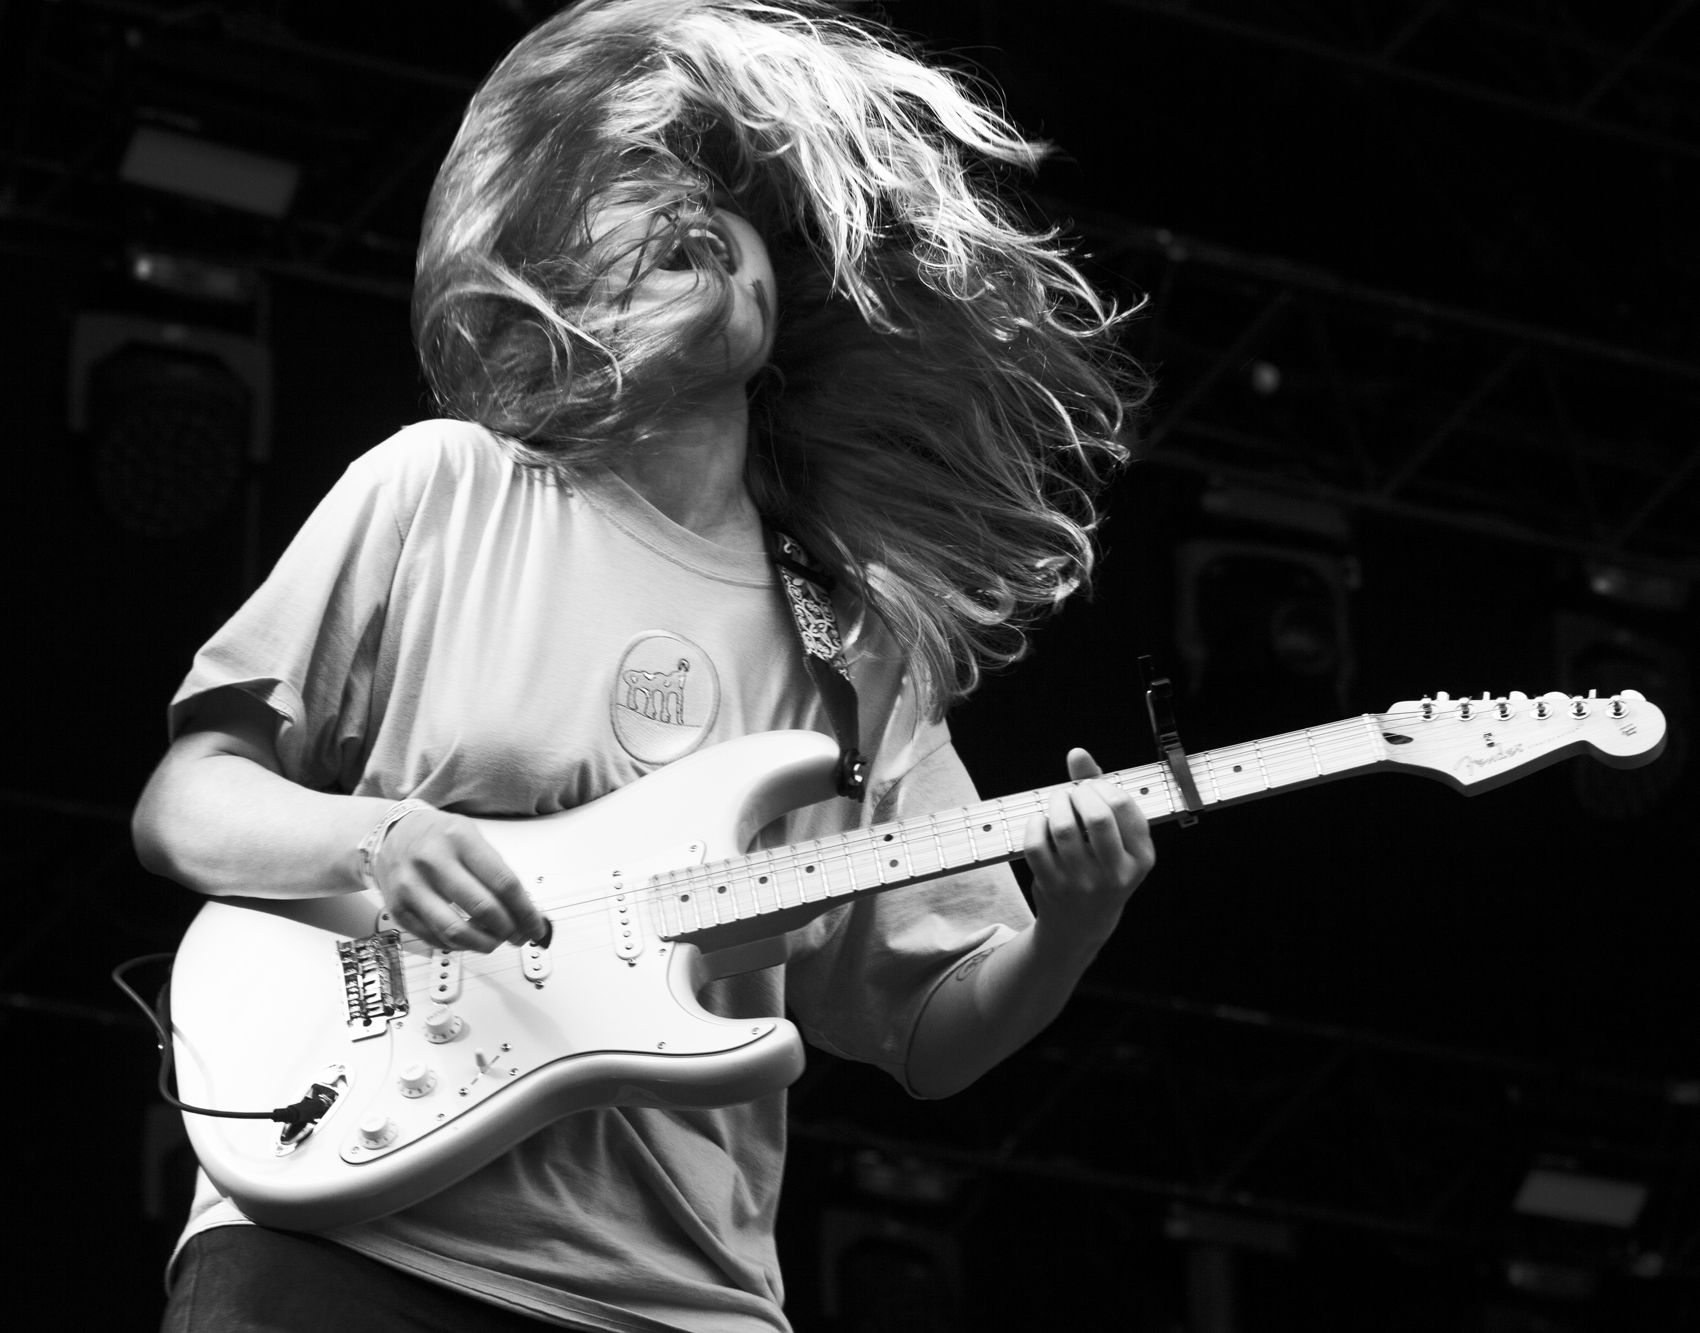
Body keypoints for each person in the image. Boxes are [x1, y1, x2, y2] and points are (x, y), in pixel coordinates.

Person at [132, 2, 1154, 1329]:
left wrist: (1074, 923)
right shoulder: (442, 489)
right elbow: (187, 798)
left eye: (728, 204)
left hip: (677, 1302)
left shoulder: (854, 645)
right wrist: (377, 840)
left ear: (785, 294)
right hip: (344, 1241)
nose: (690, 208)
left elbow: (935, 1024)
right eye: (637, 185)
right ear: (556, 272)